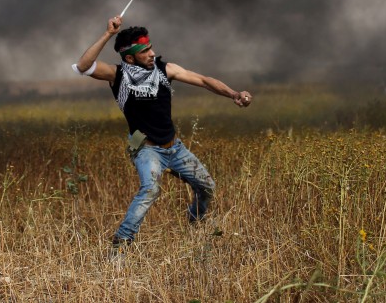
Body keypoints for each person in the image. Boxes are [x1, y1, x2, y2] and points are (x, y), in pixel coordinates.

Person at [72, 15, 252, 250]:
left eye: (150, 48)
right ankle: (120, 245)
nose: (151, 54)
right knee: (150, 189)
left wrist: (233, 94)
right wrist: (108, 34)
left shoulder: (165, 69)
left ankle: (194, 222)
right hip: (146, 149)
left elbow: (203, 80)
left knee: (207, 187)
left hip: (174, 147)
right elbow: (84, 66)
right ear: (129, 57)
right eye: (144, 51)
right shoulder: (118, 75)